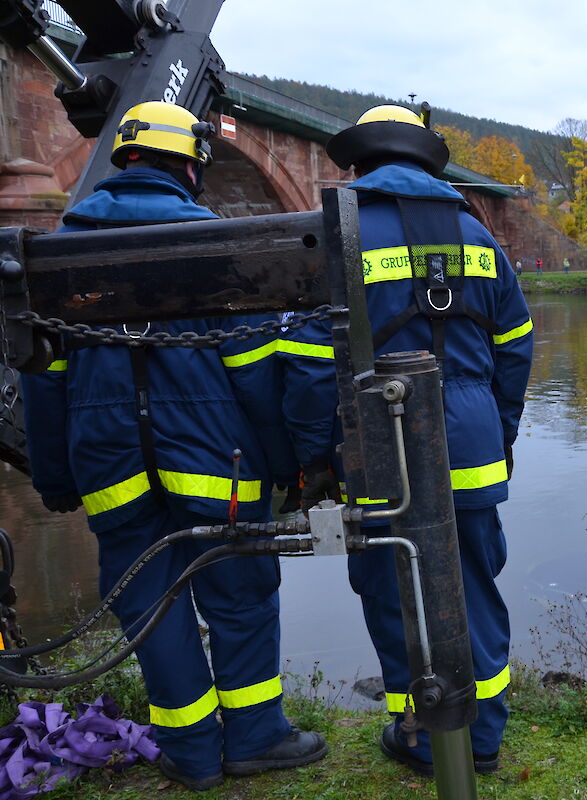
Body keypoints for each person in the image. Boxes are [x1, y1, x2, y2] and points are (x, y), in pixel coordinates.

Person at [20, 101, 326, 792]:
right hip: (216, 464)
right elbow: (253, 375)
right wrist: (284, 466)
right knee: (240, 597)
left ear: (123, 159)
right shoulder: (214, 244)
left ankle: (190, 753)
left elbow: (42, 380)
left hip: (109, 464)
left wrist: (54, 474)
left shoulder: (62, 248)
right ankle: (255, 737)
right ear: (190, 164)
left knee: (149, 606)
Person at [281, 105, 533, 776]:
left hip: (379, 448)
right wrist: (498, 435)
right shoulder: (479, 237)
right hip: (475, 445)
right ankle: (481, 741)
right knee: (475, 586)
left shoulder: (339, 237)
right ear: (426, 162)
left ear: (360, 163)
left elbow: (308, 369)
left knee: (393, 588)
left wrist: (312, 458)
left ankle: (420, 734)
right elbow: (516, 348)